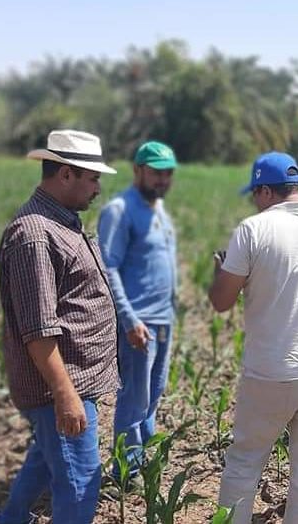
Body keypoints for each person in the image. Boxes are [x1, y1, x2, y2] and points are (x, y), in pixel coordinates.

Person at [209, 152, 298, 524]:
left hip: (271, 372)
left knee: (244, 463)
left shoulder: (253, 230)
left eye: (256, 194)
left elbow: (221, 301)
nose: (255, 203)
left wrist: (220, 270)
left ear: (266, 191)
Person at [0, 130, 119, 524]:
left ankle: (10, 519)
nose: (98, 189)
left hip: (72, 381)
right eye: (93, 178)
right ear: (66, 174)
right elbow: (38, 329)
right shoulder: (35, 236)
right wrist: (65, 395)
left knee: (45, 460)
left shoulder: (60, 222)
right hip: (61, 385)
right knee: (80, 484)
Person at [97, 140, 178, 477]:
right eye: (156, 172)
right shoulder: (119, 210)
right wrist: (128, 319)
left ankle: (142, 463)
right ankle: (125, 474)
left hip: (163, 320)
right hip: (138, 323)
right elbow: (108, 267)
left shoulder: (158, 209)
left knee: (153, 396)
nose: (162, 179)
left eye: (167, 173)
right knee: (134, 401)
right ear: (138, 170)